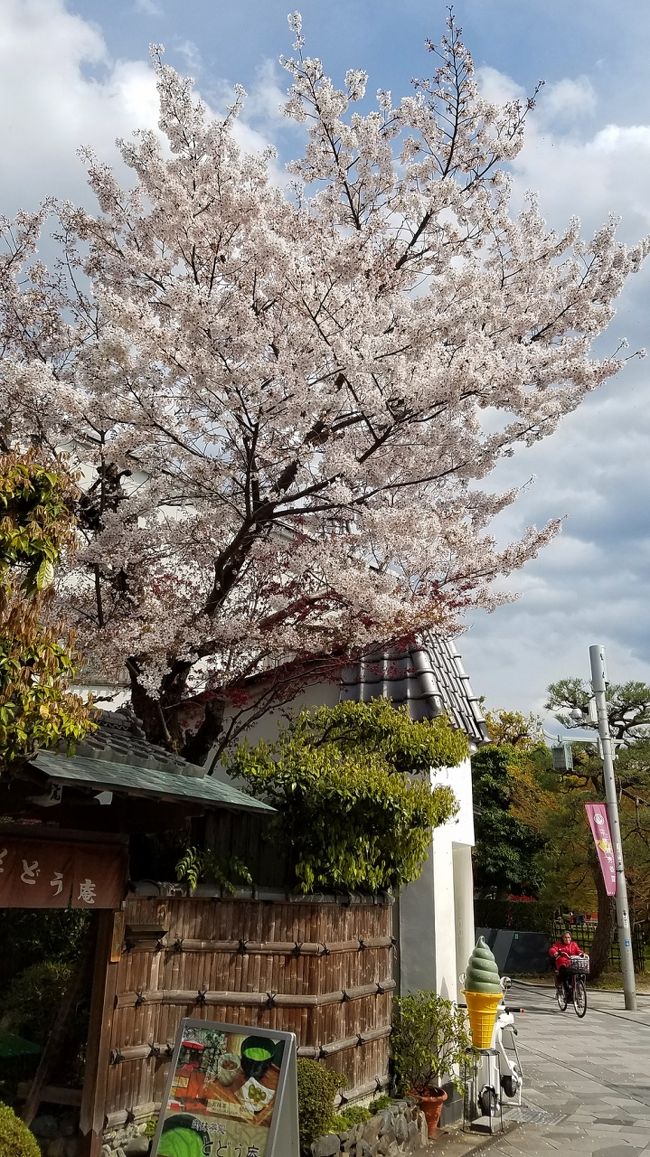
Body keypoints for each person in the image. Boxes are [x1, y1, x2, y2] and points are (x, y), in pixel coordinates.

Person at [549, 930, 584, 995]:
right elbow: (552, 949)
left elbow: (578, 950)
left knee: (580, 973)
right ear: (562, 938)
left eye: (568, 937)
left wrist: (581, 953)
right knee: (564, 974)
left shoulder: (574, 944)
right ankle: (567, 991)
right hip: (562, 962)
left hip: (572, 962)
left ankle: (578, 986)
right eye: (565, 937)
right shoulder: (558, 944)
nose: (567, 939)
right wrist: (555, 953)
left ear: (571, 938)